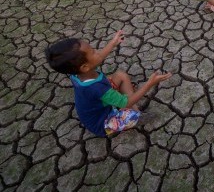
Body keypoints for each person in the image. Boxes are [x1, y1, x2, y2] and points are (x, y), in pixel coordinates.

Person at [44, 30, 172, 137]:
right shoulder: (97, 88)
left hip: (96, 107)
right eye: (93, 52)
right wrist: (150, 83)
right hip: (102, 123)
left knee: (120, 76)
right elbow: (124, 102)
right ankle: (136, 116)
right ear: (84, 67)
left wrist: (113, 43)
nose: (97, 52)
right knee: (129, 113)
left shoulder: (75, 74)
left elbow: (98, 58)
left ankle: (132, 107)